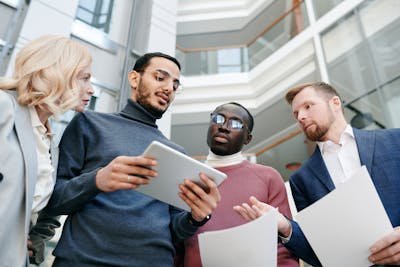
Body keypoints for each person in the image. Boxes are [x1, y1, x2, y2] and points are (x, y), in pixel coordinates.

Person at [45, 52, 221, 267]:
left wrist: (196, 217)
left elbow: (175, 230)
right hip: (83, 260)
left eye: (175, 85)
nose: (168, 88)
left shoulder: (177, 153)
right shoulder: (88, 123)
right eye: (160, 77)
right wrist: (97, 180)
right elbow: (52, 201)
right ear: (134, 79)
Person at [235, 82, 400, 266]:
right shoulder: (301, 179)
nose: (301, 117)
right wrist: (284, 226)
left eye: (308, 106)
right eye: (296, 114)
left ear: (335, 103)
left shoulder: (395, 141)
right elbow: (318, 253)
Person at [0, 35, 93, 267]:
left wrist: (30, 243)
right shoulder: (3, 107)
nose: (91, 90)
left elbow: (33, 211)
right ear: (57, 73)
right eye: (84, 78)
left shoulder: (49, 140)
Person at [182, 102, 298, 266]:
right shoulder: (187, 176)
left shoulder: (268, 177)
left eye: (235, 123)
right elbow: (175, 242)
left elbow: (282, 244)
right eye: (218, 119)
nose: (223, 127)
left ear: (248, 138)